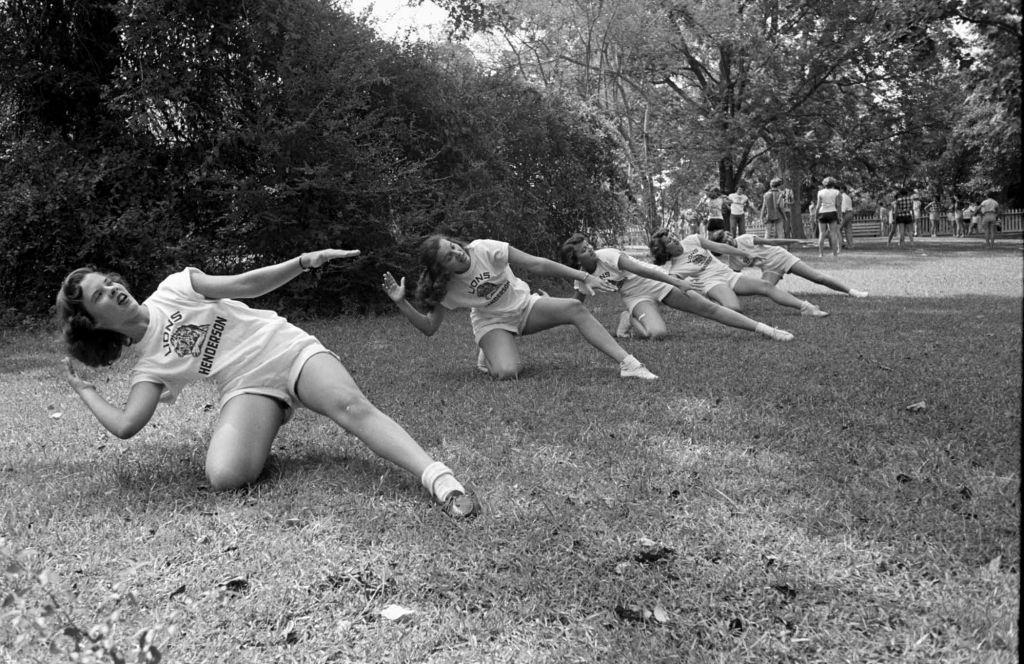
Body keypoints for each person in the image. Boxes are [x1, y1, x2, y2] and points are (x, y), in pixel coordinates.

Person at [57, 251, 482, 519]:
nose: (113, 289)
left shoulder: (173, 289)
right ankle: (272, 414)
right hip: (246, 386)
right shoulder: (149, 365)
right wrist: (87, 392)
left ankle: (441, 480)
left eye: (107, 282)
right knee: (225, 476)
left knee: (351, 408)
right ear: (92, 325)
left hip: (283, 347)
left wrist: (300, 263)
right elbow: (128, 424)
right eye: (99, 296)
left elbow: (246, 285)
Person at [383, 235, 658, 380]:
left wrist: (584, 276)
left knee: (574, 307)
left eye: (453, 246)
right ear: (442, 268)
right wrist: (401, 302)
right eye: (449, 256)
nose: (457, 252)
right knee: (507, 373)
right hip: (492, 323)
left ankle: (629, 364)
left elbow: (537, 263)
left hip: (525, 307)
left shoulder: (485, 249)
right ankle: (489, 353)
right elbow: (430, 328)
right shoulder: (446, 288)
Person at [558, 233, 795, 342]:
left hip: (658, 282)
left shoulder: (607, 255)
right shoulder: (580, 276)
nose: (590, 249)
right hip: (634, 296)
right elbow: (577, 302)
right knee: (657, 334)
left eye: (588, 245)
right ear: (576, 260)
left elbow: (645, 271)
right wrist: (556, 306)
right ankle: (629, 318)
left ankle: (767, 330)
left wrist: (677, 281)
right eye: (583, 250)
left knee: (709, 309)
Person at [649, 229, 829, 317]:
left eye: (673, 236)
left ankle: (806, 308)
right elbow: (671, 284)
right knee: (734, 309)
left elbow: (720, 247)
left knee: (765, 286)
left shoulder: (691, 240)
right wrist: (686, 286)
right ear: (666, 250)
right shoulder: (676, 269)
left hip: (728, 274)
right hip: (713, 283)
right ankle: (713, 304)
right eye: (670, 241)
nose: (675, 240)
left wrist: (745, 253)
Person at [707, 229, 869, 297]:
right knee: (763, 290)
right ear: (722, 248)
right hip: (770, 269)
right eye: (724, 241)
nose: (729, 239)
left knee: (817, 278)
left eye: (727, 236)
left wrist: (795, 241)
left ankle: (853, 292)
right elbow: (734, 280)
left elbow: (772, 241)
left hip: (781, 257)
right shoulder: (733, 260)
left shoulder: (744, 239)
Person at [814, 177, 842, 258]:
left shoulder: (820, 192)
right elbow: (838, 205)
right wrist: (839, 215)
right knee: (833, 234)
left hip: (822, 213)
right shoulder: (837, 192)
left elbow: (818, 206)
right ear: (833, 184)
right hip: (832, 212)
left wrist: (816, 216)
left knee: (821, 234)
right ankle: (834, 253)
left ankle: (821, 253)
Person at [838, 183, 855, 250]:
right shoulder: (848, 197)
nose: (839, 190)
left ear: (842, 190)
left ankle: (841, 243)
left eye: (840, 189)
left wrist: (840, 216)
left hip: (845, 214)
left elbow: (843, 207)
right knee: (848, 230)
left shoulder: (843, 197)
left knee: (838, 229)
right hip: (850, 213)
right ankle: (850, 245)